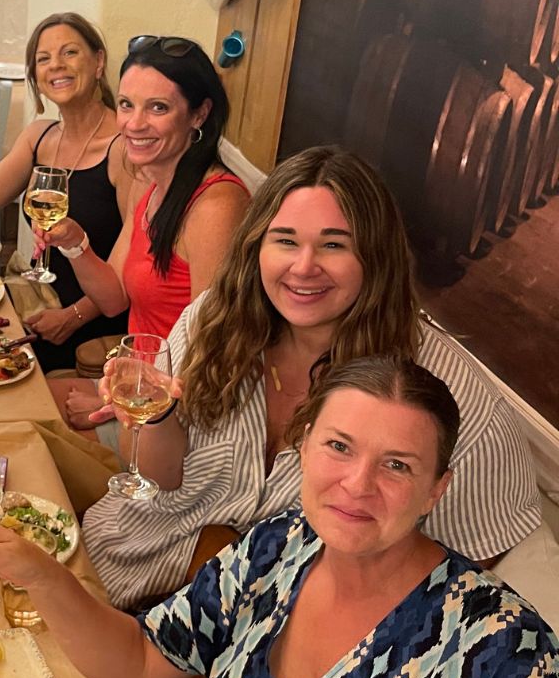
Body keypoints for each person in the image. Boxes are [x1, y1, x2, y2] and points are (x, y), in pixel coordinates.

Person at [0, 356, 558, 678]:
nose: (357, 484)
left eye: (397, 465)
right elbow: (137, 659)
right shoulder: (276, 547)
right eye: (339, 447)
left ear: (436, 489)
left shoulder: (506, 653)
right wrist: (40, 574)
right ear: (305, 445)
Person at [81, 146, 541, 611]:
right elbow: (162, 478)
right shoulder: (213, 318)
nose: (303, 267)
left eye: (334, 245)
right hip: (134, 556)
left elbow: (476, 564)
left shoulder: (450, 396)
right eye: (284, 240)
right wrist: (157, 415)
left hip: (277, 624)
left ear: (376, 258)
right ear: (257, 245)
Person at [36, 35, 249, 414]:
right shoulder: (154, 184)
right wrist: (74, 241)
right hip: (135, 384)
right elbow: (114, 296)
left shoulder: (216, 205)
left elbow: (212, 350)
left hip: (176, 409)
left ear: (198, 114)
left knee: (23, 418)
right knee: (8, 402)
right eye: (126, 105)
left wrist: (118, 407)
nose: (134, 124)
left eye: (158, 108)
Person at [0, 13, 133, 372]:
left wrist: (72, 316)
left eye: (69, 53)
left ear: (98, 62)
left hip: (93, 329)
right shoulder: (40, 135)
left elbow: (129, 268)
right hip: (38, 307)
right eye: (43, 59)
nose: (56, 66)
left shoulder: (124, 148)